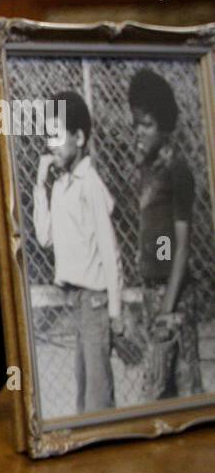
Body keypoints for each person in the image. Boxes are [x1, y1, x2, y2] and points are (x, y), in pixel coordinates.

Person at [32, 90, 122, 413]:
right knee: (83, 384)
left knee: (98, 392)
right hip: (77, 302)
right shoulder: (60, 186)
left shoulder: (90, 183)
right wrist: (39, 188)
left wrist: (115, 310)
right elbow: (44, 237)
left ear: (79, 137)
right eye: (47, 137)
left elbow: (110, 250)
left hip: (96, 301)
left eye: (56, 135)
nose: (50, 144)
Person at [130, 68, 202, 399]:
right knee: (160, 388)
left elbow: (180, 246)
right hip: (152, 293)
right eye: (136, 124)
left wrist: (167, 304)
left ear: (164, 126)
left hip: (173, 298)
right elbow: (161, 240)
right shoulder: (146, 168)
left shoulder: (178, 171)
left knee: (183, 383)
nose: (138, 132)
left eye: (146, 125)